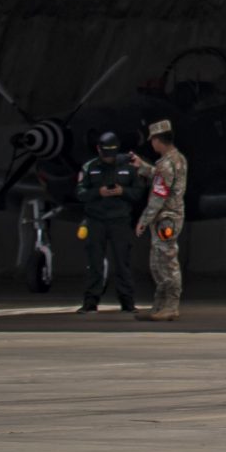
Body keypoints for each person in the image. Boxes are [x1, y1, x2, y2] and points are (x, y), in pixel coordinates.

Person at [74, 129, 146, 315]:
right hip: (96, 220)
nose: (108, 158)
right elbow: (80, 193)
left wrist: (123, 191)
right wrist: (98, 192)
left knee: (123, 263)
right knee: (94, 263)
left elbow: (138, 193)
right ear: (99, 149)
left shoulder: (129, 167)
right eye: (105, 154)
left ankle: (127, 302)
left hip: (119, 221)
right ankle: (90, 302)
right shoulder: (89, 167)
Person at [133, 119, 187, 322]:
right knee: (160, 261)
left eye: (152, 140)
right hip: (170, 216)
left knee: (165, 262)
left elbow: (158, 196)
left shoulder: (166, 164)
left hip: (165, 218)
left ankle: (170, 306)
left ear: (158, 140)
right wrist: (142, 166)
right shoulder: (177, 159)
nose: (151, 144)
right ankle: (160, 306)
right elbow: (162, 177)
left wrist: (144, 220)